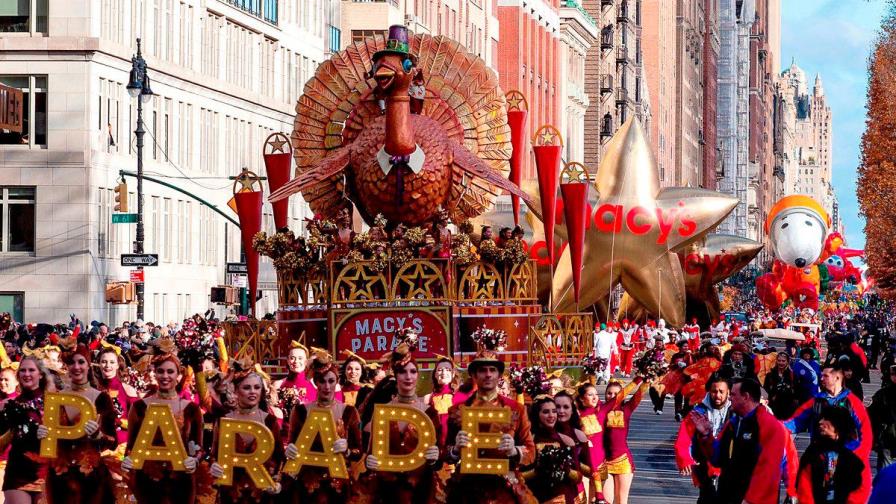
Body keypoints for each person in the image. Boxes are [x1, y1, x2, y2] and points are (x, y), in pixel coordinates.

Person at [444, 348, 536, 503]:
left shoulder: (516, 409)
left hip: (505, 487)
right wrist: (455, 450)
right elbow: (444, 452)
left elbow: (531, 452)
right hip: (467, 488)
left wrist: (514, 450)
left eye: (492, 370)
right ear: (473, 375)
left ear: (499, 375)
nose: (488, 375)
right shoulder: (457, 410)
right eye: (482, 370)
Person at [357, 343, 441, 503]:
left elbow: (440, 456)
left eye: (413, 371)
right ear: (395, 375)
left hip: (421, 491)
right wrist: (370, 462)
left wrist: (436, 456)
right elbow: (371, 455)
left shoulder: (429, 412)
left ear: (417, 375)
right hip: (388, 492)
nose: (408, 377)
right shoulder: (382, 412)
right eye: (402, 372)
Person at [694, 378, 793, 504]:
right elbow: (717, 459)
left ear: (746, 397)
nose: (729, 398)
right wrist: (706, 436)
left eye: (733, 394)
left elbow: (773, 468)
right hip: (728, 494)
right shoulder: (732, 424)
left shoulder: (769, 426)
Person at [122, 352, 204, 504]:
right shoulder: (139, 407)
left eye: (170, 371)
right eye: (160, 371)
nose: (165, 376)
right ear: (155, 373)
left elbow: (198, 448)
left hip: (181, 481)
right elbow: (131, 446)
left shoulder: (191, 409)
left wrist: (195, 461)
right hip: (147, 481)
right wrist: (127, 460)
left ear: (179, 375)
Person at [41, 344, 118, 504]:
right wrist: (42, 434)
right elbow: (49, 442)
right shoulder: (55, 399)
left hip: (91, 478)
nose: (76, 367)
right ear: (66, 366)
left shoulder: (102, 398)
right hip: (60, 479)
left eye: (81, 362)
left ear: (88, 365)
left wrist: (99, 435)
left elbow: (113, 442)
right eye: (72, 362)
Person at [785, 363, 873, 502]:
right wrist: (773, 425)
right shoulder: (816, 401)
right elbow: (795, 422)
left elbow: (865, 431)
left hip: (845, 455)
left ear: (838, 377)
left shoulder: (852, 401)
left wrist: (860, 454)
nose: (821, 378)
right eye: (821, 375)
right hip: (819, 454)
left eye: (826, 375)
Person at [284, 350, 362, 503]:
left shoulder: (349, 411)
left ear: (337, 382)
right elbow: (292, 443)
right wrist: (290, 450)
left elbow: (358, 451)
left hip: (337, 483)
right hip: (308, 484)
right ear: (316, 382)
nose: (327, 386)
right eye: (322, 381)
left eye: (331, 381)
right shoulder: (300, 411)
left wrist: (347, 451)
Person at [209, 366, 285, 503]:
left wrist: (277, 481)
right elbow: (214, 455)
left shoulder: (270, 421)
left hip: (262, 495)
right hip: (231, 494)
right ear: (235, 390)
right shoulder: (223, 421)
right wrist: (214, 467)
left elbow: (280, 457)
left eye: (257, 387)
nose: (252, 392)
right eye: (247, 388)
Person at [0, 357, 52, 504]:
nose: (26, 373)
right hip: (17, 473)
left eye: (31, 370)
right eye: (22, 370)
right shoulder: (9, 405)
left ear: (41, 374)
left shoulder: (54, 402)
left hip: (45, 473)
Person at [674, 375, 732, 504]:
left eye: (721, 391)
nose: (717, 395)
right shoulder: (697, 412)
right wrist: (685, 458)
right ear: (709, 392)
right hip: (704, 463)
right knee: (707, 496)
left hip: (729, 464)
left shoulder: (736, 412)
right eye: (714, 391)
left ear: (728, 392)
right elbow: (684, 438)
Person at [795, 405, 865, 504]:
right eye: (821, 418)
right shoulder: (813, 451)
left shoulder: (854, 453)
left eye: (826, 419)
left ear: (838, 426)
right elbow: (804, 486)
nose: (820, 422)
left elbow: (858, 490)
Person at [521, 396, 582, 503]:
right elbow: (518, 477)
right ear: (537, 415)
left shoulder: (567, 440)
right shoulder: (529, 441)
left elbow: (578, 478)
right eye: (545, 412)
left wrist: (566, 470)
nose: (551, 415)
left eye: (554, 411)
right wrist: (537, 471)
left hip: (565, 498)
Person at [602, 377, 649, 504]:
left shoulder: (626, 409)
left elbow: (639, 395)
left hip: (623, 461)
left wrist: (646, 380)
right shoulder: (600, 410)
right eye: (609, 393)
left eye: (616, 394)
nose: (612, 396)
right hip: (604, 462)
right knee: (605, 500)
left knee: (621, 501)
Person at [93, 344, 139, 445]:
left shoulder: (128, 390)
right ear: (99, 364)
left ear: (117, 365)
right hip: (97, 446)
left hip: (121, 448)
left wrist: (119, 422)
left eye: (112, 362)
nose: (108, 366)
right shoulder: (94, 390)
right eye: (104, 362)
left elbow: (139, 422)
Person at [553, 390, 590, 504]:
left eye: (566, 407)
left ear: (572, 410)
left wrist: (571, 464)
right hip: (548, 495)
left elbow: (589, 470)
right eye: (557, 407)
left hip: (575, 494)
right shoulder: (541, 434)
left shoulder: (579, 435)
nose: (561, 411)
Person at [576, 382, 609, 504]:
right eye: (590, 395)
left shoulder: (601, 410)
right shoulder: (575, 414)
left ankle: (600, 496)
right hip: (583, 466)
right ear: (581, 398)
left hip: (601, 465)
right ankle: (599, 497)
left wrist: (640, 379)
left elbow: (620, 397)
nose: (595, 397)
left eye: (596, 394)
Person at [273, 342, 317, 426]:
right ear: (288, 361)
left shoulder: (315, 383)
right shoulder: (278, 384)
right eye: (292, 358)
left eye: (300, 358)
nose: (296, 361)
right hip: (286, 434)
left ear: (306, 361)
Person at [867, 364, 896, 469]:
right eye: (893, 374)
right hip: (887, 439)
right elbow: (871, 416)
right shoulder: (883, 394)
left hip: (887, 438)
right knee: (885, 475)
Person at [764, 351, 799, 419]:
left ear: (787, 362)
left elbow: (797, 391)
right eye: (779, 360)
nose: (781, 363)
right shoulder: (770, 375)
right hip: (773, 407)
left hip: (788, 407)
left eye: (783, 361)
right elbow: (765, 390)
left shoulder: (792, 375)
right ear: (776, 361)